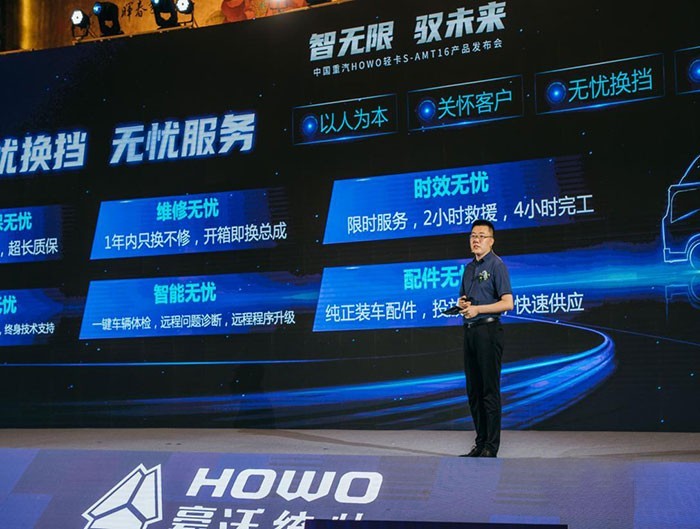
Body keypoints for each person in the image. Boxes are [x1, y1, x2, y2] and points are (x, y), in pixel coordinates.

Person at [457, 219, 513, 458]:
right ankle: (480, 443)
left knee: (489, 390)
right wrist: (462, 304)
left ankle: (491, 446)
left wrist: (478, 309)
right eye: (473, 236)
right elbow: (465, 298)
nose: (476, 240)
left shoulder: (497, 265)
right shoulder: (469, 268)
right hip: (470, 331)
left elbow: (507, 303)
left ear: (491, 241)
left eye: (481, 236)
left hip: (488, 331)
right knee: (474, 390)